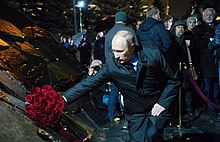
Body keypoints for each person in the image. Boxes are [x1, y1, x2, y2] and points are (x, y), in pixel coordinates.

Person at [63, 30, 181, 142]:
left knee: (151, 135)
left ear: (132, 46)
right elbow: (90, 83)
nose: (116, 56)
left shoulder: (154, 55)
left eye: (120, 51)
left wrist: (163, 102)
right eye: (113, 51)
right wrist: (64, 98)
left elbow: (175, 78)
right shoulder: (112, 65)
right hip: (135, 112)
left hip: (157, 107)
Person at [194, 7, 220, 121]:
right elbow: (198, 44)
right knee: (207, 87)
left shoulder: (217, 27)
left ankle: (216, 105)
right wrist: (210, 40)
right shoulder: (199, 29)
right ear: (203, 16)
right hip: (206, 62)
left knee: (217, 87)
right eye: (207, 15)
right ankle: (209, 108)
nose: (209, 17)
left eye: (211, 15)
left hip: (217, 62)